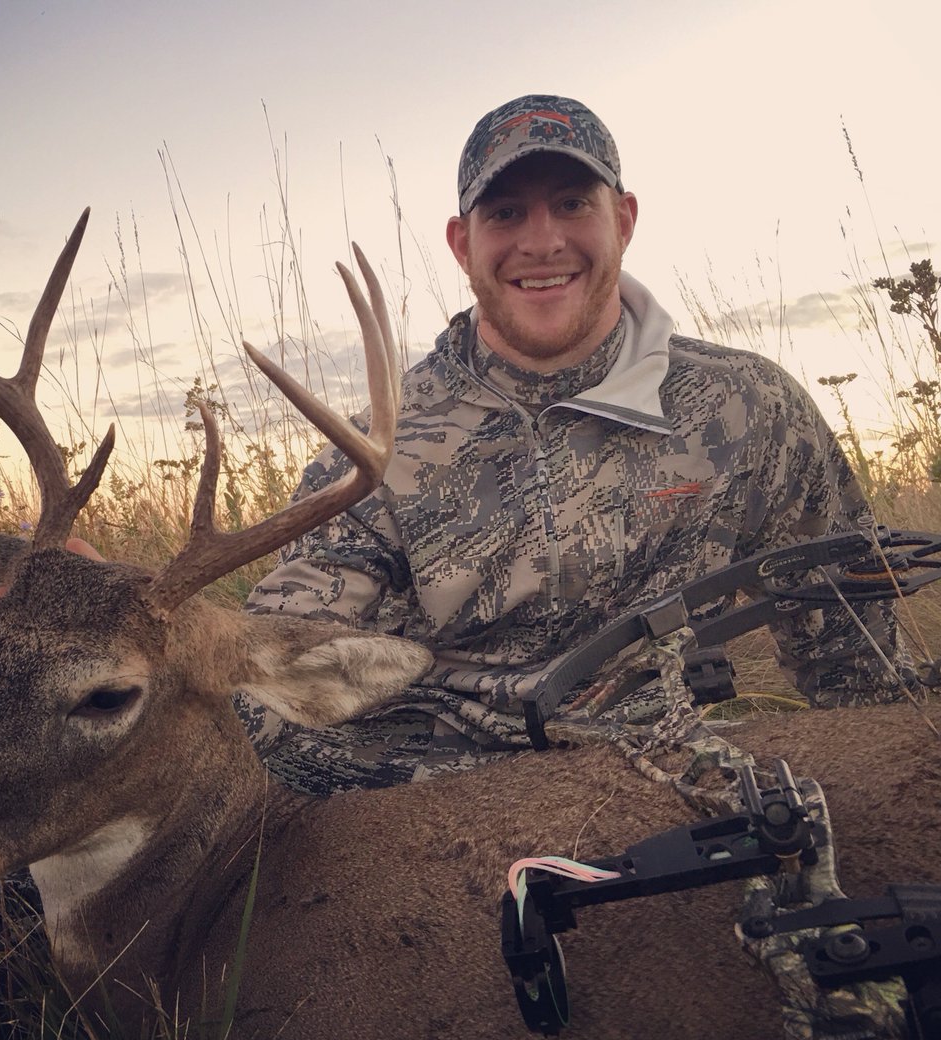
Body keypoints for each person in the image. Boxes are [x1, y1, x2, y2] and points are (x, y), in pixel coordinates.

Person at [237, 93, 905, 796]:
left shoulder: (749, 408)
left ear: (623, 220)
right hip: (426, 787)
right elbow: (284, 647)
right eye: (505, 213)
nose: (542, 240)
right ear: (463, 244)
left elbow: (854, 656)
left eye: (571, 203)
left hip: (669, 768)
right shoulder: (377, 450)